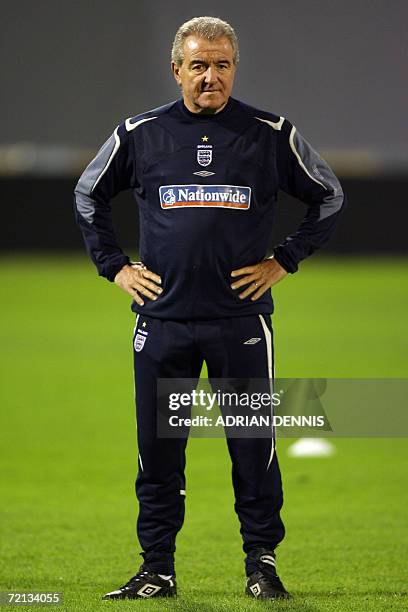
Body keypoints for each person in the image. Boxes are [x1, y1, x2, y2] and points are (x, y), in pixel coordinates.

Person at [74, 16, 345, 601]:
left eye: (222, 65)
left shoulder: (269, 133)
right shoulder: (140, 133)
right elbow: (88, 193)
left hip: (240, 325)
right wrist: (115, 266)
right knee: (158, 454)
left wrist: (285, 260)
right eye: (198, 66)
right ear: (177, 70)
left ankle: (262, 565)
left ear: (234, 69)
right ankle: (157, 569)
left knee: (253, 451)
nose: (210, 77)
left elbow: (328, 194)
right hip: (163, 323)